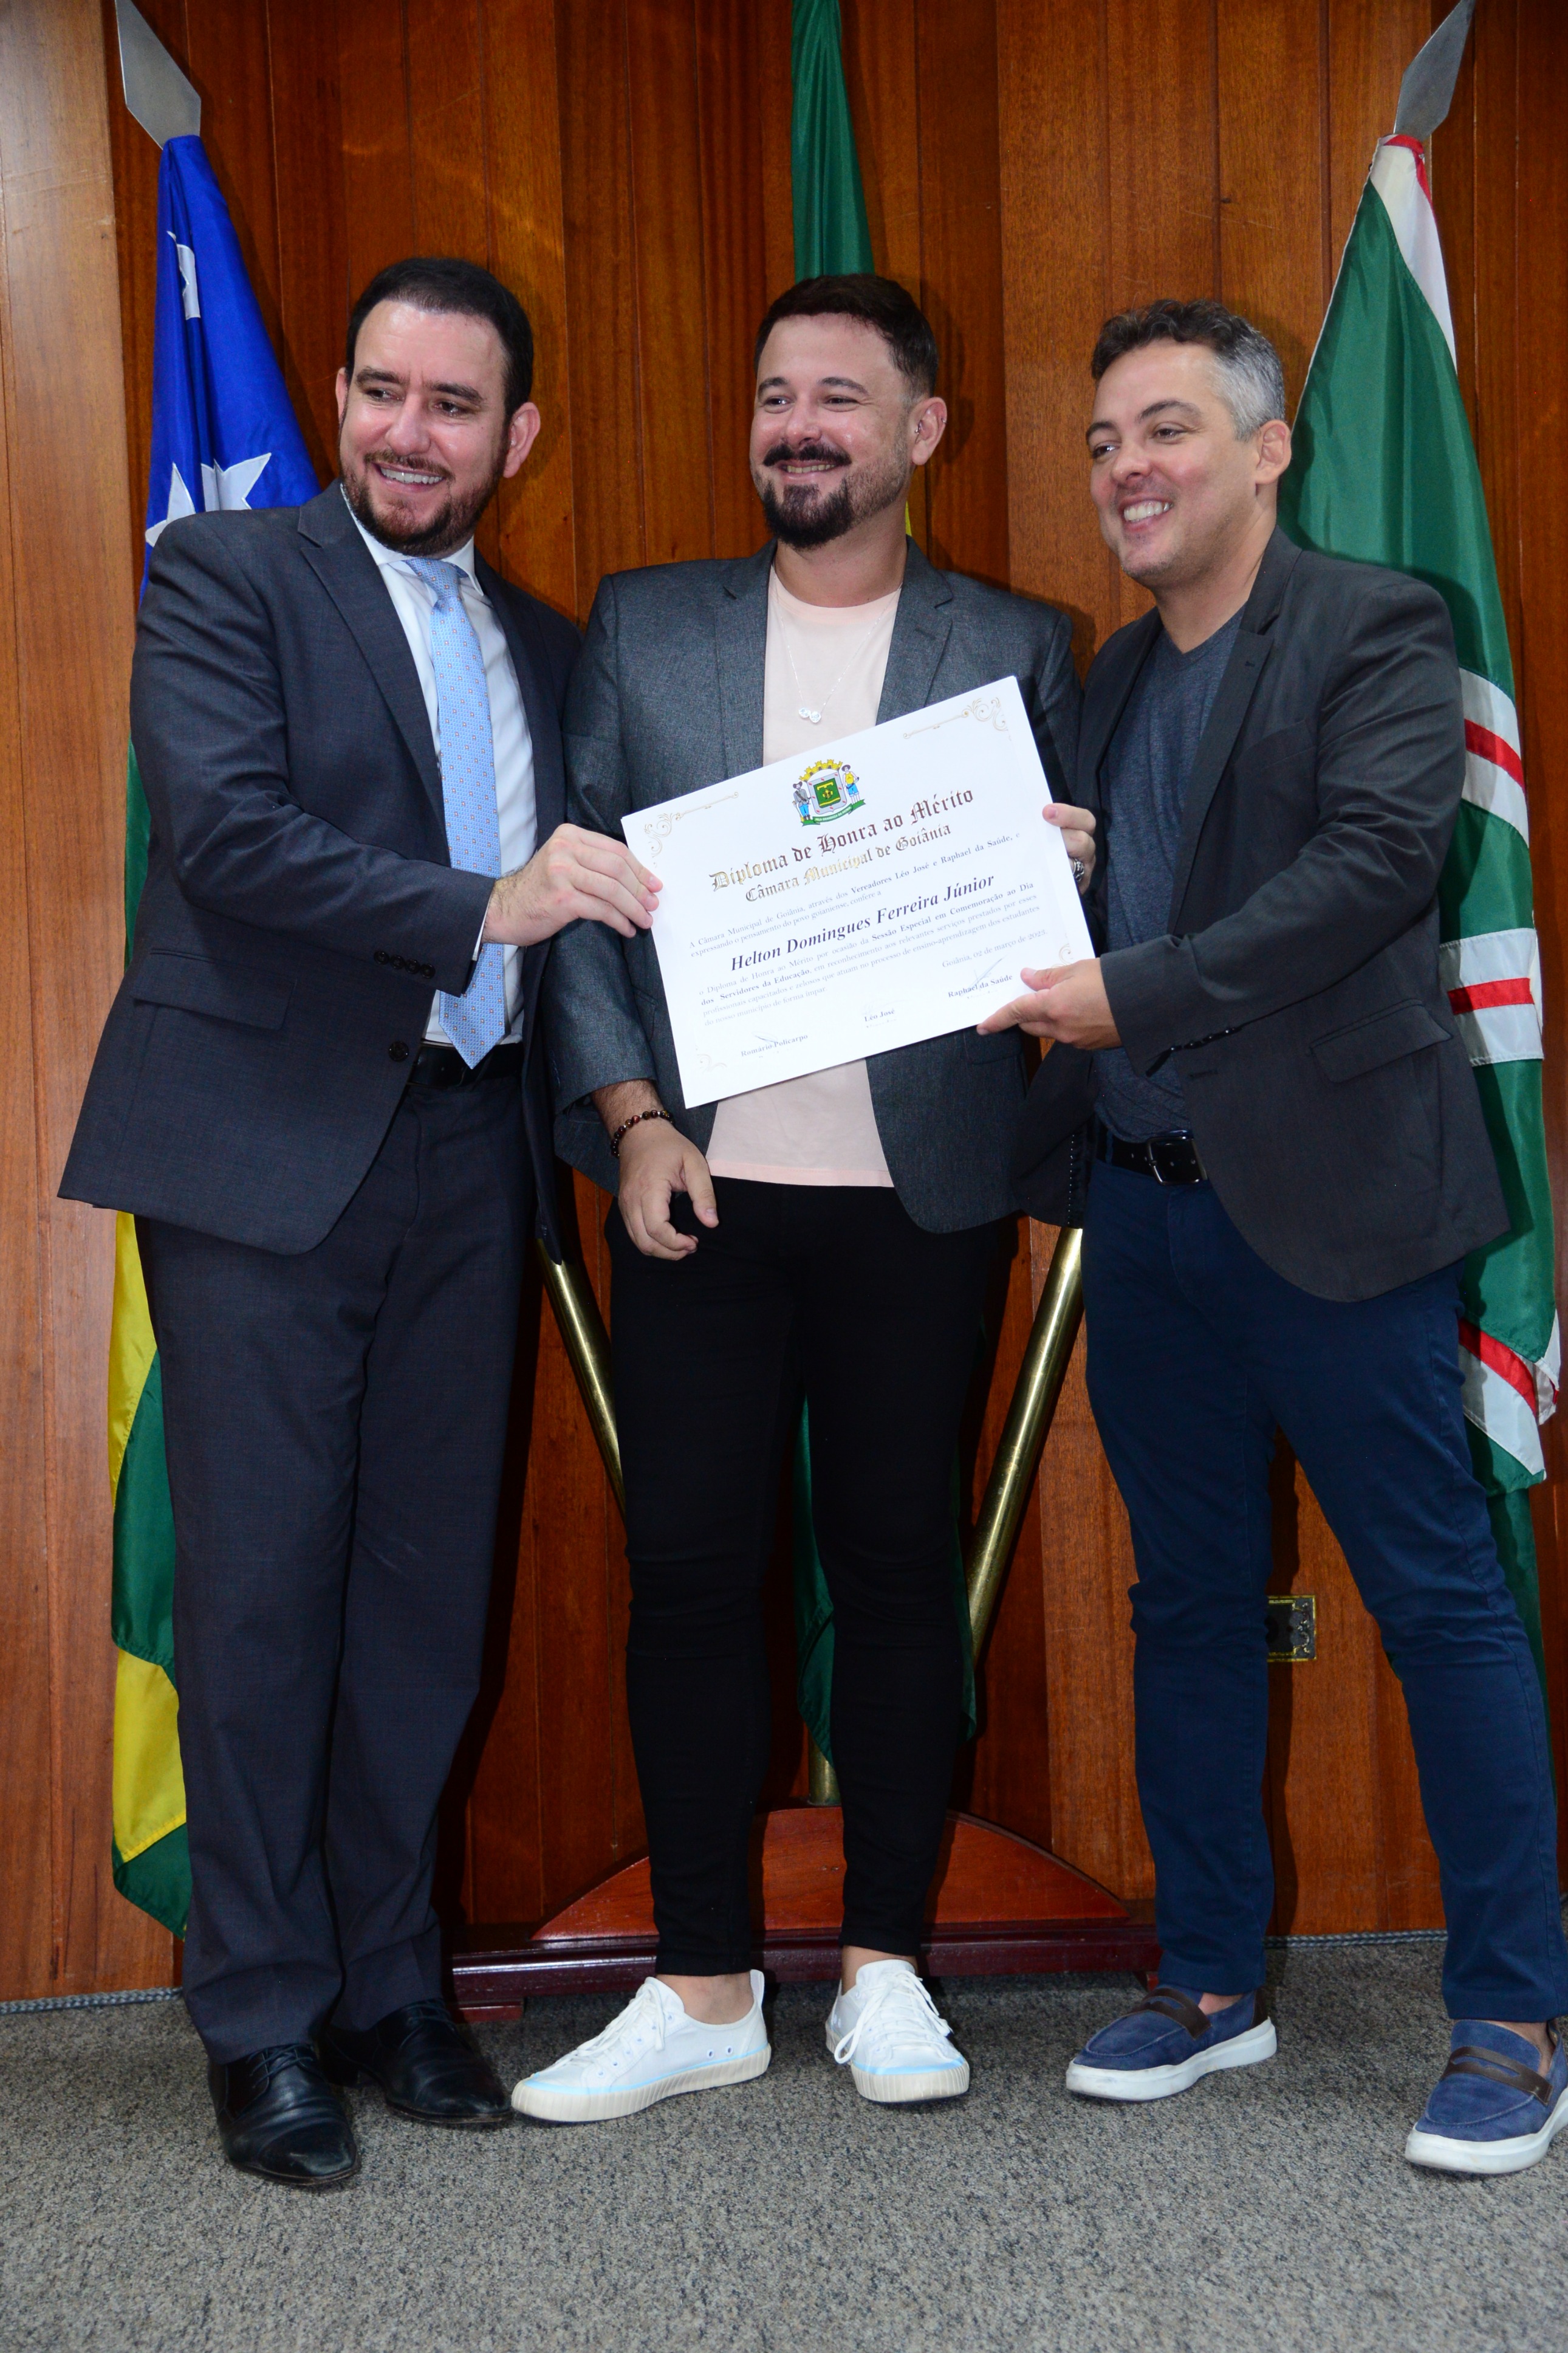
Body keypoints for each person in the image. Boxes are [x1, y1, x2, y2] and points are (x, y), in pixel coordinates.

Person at [61, 257, 659, 2190]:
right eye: (381, 390)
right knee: (258, 1598)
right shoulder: (226, 577)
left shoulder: (555, 647)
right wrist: (487, 904)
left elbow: (648, 884)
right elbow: (225, 833)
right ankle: (259, 2016)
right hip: (264, 1159)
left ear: (517, 436)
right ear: (336, 394)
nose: (409, 431)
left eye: (453, 405)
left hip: (477, 1162)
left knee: (423, 1598)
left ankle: (395, 1986)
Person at [988, 298, 1568, 2176]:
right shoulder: (1111, 674)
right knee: (1185, 1606)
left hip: (1337, 1213)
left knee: (1438, 1602)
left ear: (1265, 449)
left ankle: (1514, 2014)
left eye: (1164, 428)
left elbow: (1375, 868)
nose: (1125, 469)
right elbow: (1151, 881)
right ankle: (1211, 1981)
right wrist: (1072, 881)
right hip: (1146, 1217)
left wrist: (1133, 983)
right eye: (1103, 442)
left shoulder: (1376, 624)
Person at [517, 274, 1088, 2121]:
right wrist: (628, 1117)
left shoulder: (1022, 647)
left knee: (902, 1574)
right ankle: (699, 1987)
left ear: (922, 429)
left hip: (921, 1192)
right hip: (698, 1189)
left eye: (839, 395)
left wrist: (1067, 878)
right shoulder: (647, 623)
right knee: (689, 1579)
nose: (798, 426)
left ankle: (887, 1968)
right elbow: (581, 895)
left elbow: (1063, 940)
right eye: (776, 394)